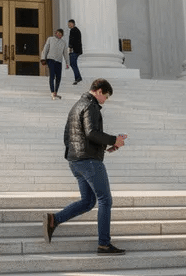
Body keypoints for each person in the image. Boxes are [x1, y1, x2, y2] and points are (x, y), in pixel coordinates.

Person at [43, 78, 127, 255]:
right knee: (105, 200)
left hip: (75, 161)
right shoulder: (91, 106)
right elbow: (91, 133)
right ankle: (104, 244)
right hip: (89, 161)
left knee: (88, 201)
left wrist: (109, 147)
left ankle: (54, 220)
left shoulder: (76, 106)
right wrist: (114, 139)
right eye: (106, 96)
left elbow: (70, 136)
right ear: (98, 91)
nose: (105, 100)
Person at [41, 28, 68, 99]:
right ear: (55, 33)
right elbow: (45, 48)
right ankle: (52, 92)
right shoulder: (50, 39)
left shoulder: (63, 43)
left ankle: (56, 91)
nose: (59, 35)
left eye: (60, 34)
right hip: (51, 59)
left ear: (62, 35)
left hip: (59, 61)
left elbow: (65, 53)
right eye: (58, 33)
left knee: (58, 77)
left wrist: (67, 62)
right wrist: (43, 58)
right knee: (52, 75)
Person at [67, 19, 83, 85]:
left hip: (75, 50)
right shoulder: (77, 30)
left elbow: (72, 40)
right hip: (77, 50)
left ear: (73, 24)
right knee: (73, 63)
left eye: (70, 24)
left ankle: (78, 77)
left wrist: (70, 48)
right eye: (68, 24)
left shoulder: (73, 30)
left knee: (73, 63)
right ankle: (78, 77)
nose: (69, 25)